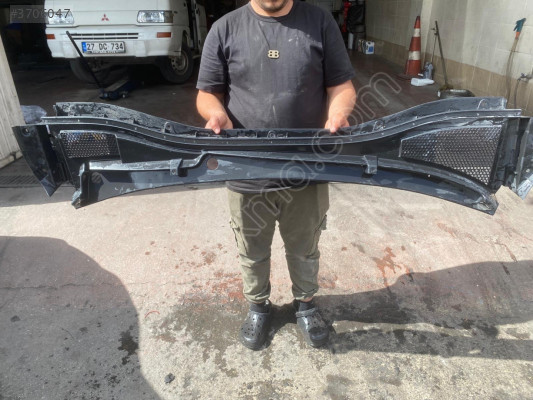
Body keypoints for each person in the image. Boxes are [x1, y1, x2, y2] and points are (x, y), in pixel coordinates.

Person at [196, 0, 356, 349]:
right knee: (251, 248)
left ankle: (306, 304)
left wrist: (338, 113)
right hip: (246, 169)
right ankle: (258, 306)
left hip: (307, 166)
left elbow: (341, 86)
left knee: (305, 246)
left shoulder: (319, 22)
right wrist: (216, 114)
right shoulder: (225, 28)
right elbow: (207, 94)